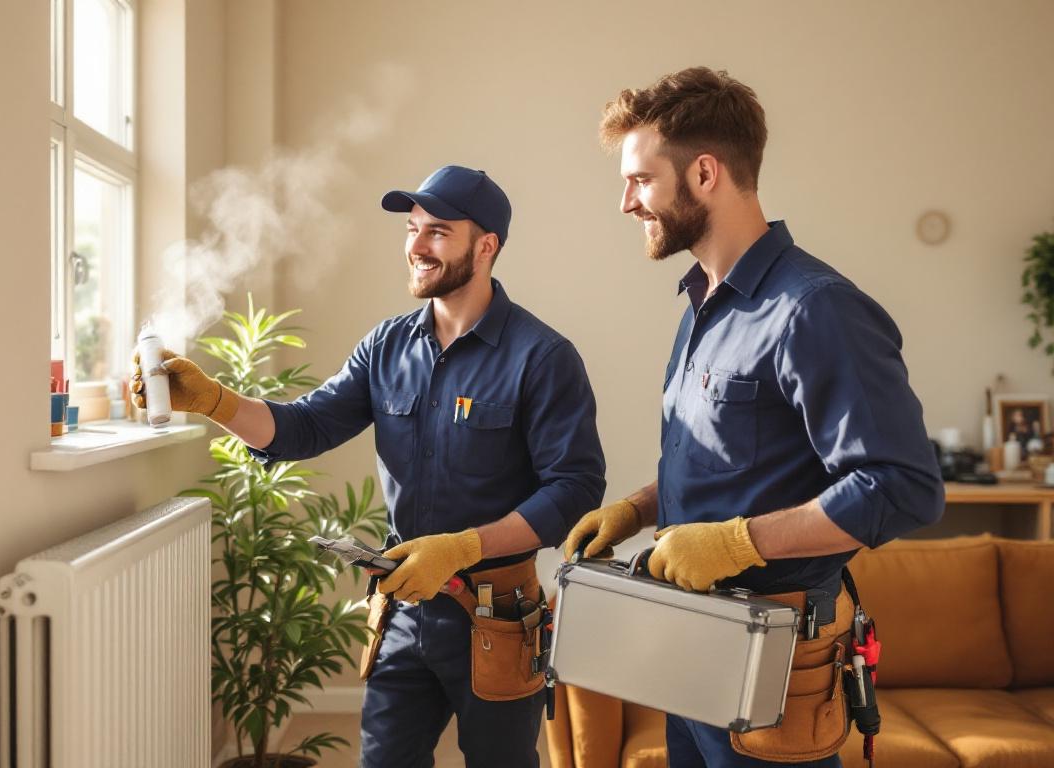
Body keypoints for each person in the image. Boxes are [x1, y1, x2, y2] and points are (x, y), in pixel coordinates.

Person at [133, 165, 606, 767]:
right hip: (404, 614)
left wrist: (462, 548)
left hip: (497, 619)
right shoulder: (387, 347)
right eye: (412, 229)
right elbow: (304, 426)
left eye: (438, 231)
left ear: (486, 246)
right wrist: (213, 402)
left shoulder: (542, 357)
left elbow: (575, 490)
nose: (417, 246)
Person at [563, 67, 944, 767]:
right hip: (693, 648)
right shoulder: (702, 308)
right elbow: (741, 459)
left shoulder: (814, 308)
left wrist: (736, 544)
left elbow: (903, 486)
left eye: (640, 180)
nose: (626, 203)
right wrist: (641, 507)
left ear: (704, 173)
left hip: (777, 667)